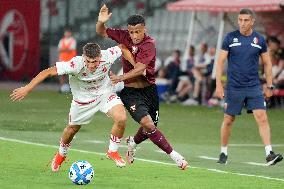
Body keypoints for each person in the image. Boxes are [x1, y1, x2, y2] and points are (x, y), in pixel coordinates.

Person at [10, 42, 137, 171]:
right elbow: (48, 72)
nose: (92, 65)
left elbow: (122, 48)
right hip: (82, 101)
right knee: (71, 130)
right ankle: (61, 154)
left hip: (105, 94)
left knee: (121, 118)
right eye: (88, 61)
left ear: (100, 57)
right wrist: (27, 88)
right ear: (83, 57)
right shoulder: (75, 64)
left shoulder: (107, 55)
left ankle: (112, 151)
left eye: (95, 62)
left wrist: (135, 65)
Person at [96, 5, 188, 170]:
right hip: (131, 93)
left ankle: (133, 142)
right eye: (131, 32)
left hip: (149, 90)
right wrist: (101, 22)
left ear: (144, 29)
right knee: (148, 124)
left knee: (151, 128)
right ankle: (175, 156)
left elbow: (140, 69)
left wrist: (119, 78)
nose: (134, 35)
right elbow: (101, 31)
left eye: (137, 31)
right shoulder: (124, 36)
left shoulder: (149, 44)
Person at [215, 8, 283, 165]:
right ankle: (223, 152)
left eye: (246, 20)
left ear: (252, 21)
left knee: (262, 117)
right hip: (234, 87)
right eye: (240, 20)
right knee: (229, 119)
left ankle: (269, 153)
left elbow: (267, 63)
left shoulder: (259, 40)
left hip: (253, 87)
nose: (242, 23)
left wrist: (270, 85)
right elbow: (220, 62)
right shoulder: (230, 38)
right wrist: (219, 84)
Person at [57, 28, 77, 93]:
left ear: (70, 33)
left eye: (68, 32)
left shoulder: (73, 41)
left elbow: (71, 49)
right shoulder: (61, 40)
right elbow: (59, 49)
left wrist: (63, 49)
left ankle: (70, 88)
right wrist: (66, 50)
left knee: (70, 74)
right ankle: (62, 87)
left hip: (70, 61)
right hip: (62, 60)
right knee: (62, 74)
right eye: (66, 32)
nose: (67, 34)